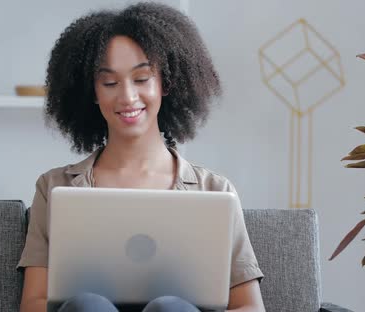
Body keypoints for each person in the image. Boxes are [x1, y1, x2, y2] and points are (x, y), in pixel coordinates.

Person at [17, 2, 264, 312]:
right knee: (87, 305)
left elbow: (250, 307)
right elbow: (33, 304)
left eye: (142, 78)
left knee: (170, 308)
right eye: (109, 82)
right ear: (92, 92)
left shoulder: (214, 190)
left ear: (166, 83)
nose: (128, 97)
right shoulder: (53, 186)